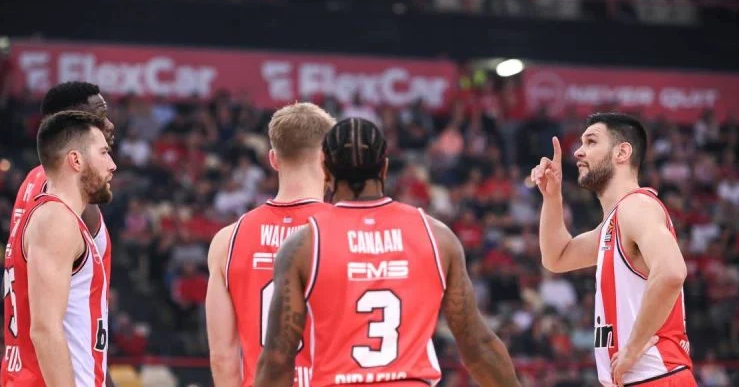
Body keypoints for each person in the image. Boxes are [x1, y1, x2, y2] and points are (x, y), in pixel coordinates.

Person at [255, 118, 519, 387]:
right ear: (384, 168)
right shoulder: (436, 236)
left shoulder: (303, 245)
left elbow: (277, 360)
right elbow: (477, 346)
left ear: (325, 170)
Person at [531, 113, 695, 387]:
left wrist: (632, 348)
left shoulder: (637, 207)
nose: (578, 151)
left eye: (591, 142)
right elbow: (556, 257)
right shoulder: (614, 222)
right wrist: (552, 196)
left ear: (622, 152)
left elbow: (672, 272)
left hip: (655, 376)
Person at [205, 102, 336, 387]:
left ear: (273, 159)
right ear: (329, 160)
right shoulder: (347, 234)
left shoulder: (228, 240)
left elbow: (223, 358)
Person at [1, 110, 116, 386]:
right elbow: (45, 330)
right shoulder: (56, 219)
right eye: (103, 153)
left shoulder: (58, 217)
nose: (112, 165)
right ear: (76, 160)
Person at [10, 81, 115, 284]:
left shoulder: (37, 179)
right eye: (99, 117)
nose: (110, 125)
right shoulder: (57, 193)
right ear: (68, 123)